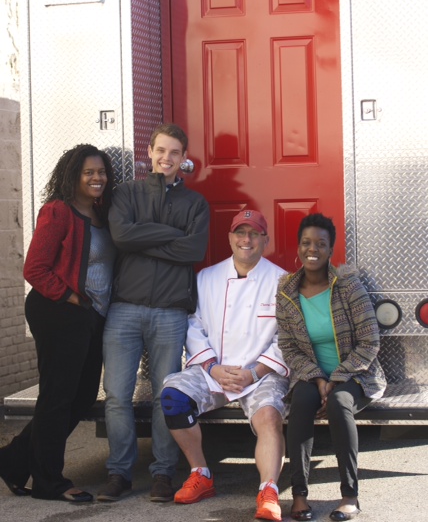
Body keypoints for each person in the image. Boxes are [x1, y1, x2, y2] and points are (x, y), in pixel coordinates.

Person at [97, 123, 210, 503]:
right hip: (124, 310)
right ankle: (120, 473)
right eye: (161, 150)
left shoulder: (195, 204)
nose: (166, 158)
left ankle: (163, 472)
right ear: (149, 151)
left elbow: (192, 251)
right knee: (116, 395)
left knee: (167, 395)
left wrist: (144, 236)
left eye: (174, 152)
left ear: (183, 158)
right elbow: (122, 237)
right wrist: (168, 233)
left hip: (169, 313)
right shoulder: (126, 193)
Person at [0, 144, 115, 502]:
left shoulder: (101, 213)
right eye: (88, 172)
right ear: (73, 175)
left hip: (89, 316)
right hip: (59, 312)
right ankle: (49, 482)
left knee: (79, 398)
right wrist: (73, 298)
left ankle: (14, 460)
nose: (97, 178)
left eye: (101, 172)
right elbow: (34, 268)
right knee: (58, 397)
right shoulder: (59, 212)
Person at [160, 209, 290, 522]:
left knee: (270, 417)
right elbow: (194, 324)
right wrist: (212, 368)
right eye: (240, 233)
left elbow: (289, 337)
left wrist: (254, 372)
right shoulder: (207, 278)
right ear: (230, 238)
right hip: (214, 371)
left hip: (260, 374)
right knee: (173, 396)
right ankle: (200, 474)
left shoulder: (283, 281)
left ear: (265, 239)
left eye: (254, 233)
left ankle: (269, 491)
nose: (246, 239)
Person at [276, 213, 386, 522]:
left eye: (321, 244)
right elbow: (289, 346)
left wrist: (336, 378)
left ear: (330, 250)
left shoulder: (348, 286)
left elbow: (369, 341)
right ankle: (299, 497)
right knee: (301, 403)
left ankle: (350, 496)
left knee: (339, 404)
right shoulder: (286, 290)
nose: (313, 249)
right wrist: (317, 378)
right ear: (298, 247)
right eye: (307, 243)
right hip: (310, 374)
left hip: (355, 373)